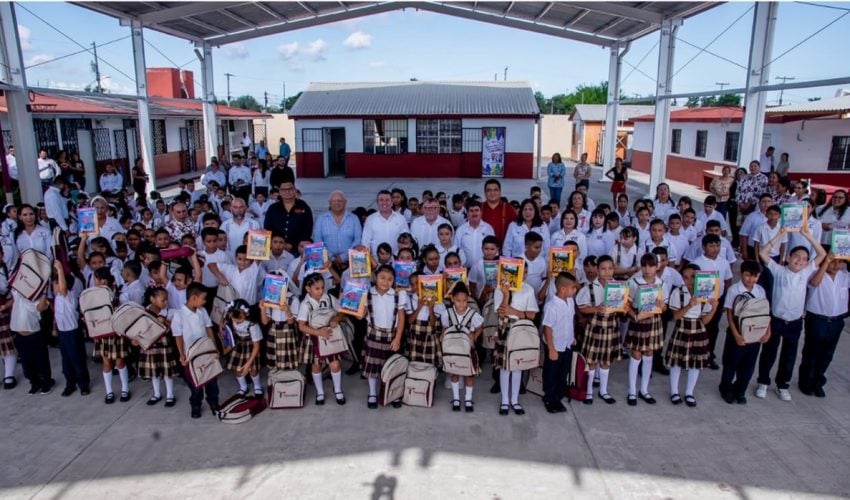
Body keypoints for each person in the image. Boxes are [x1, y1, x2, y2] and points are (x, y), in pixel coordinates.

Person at [755, 225, 826, 402]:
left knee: (789, 355)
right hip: (776, 320)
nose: (800, 261)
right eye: (797, 257)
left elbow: (822, 255)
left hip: (794, 322)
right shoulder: (778, 271)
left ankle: (782, 385)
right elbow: (764, 254)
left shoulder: (806, 271)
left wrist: (808, 235)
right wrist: (780, 234)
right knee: (769, 352)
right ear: (787, 258)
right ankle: (763, 382)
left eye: (804, 259)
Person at [665, 264, 719, 407]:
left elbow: (705, 320)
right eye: (686, 278)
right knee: (677, 361)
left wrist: (714, 308)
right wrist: (689, 305)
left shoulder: (706, 293)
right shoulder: (678, 292)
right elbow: (675, 316)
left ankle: (689, 392)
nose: (690, 281)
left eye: (693, 277)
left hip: (698, 329)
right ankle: (674, 391)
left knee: (695, 362)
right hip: (682, 327)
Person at [719, 260, 769, 405]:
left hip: (754, 334)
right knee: (730, 363)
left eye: (755, 276)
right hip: (738, 331)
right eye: (748, 275)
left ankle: (740, 391)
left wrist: (766, 332)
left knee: (748, 366)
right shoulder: (734, 289)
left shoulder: (760, 290)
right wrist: (735, 334)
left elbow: (765, 312)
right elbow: (729, 312)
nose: (751, 279)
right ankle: (726, 389)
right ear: (741, 274)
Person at [798, 253, 848, 398]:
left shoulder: (844, 276)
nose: (836, 265)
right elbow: (814, 283)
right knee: (811, 353)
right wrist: (826, 261)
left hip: (836, 321)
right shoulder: (816, 273)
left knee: (827, 355)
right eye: (833, 261)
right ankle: (806, 382)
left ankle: (818, 382)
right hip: (817, 319)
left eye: (839, 262)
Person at [493, 265, 538, 415]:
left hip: (521, 328)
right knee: (505, 366)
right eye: (520, 272)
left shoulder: (528, 289)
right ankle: (505, 400)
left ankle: (515, 400)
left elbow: (532, 314)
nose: (523, 275)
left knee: (517, 365)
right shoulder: (500, 288)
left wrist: (516, 312)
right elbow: (500, 313)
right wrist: (506, 295)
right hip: (505, 328)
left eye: (526, 272)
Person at [624, 253, 667, 406]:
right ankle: (632, 391)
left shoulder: (661, 283)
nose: (647, 269)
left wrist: (662, 306)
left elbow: (664, 306)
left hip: (654, 320)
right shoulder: (634, 281)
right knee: (636, 354)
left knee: (649, 353)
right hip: (639, 318)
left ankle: (644, 390)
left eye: (651, 266)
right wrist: (633, 316)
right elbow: (625, 303)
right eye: (644, 266)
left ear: (657, 267)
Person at [173, 282, 220, 419]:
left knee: (212, 381)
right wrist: (182, 355)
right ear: (194, 298)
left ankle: (213, 403)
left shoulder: (202, 311)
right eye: (203, 298)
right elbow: (178, 337)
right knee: (195, 385)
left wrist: (214, 348)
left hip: (206, 352)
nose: (205, 302)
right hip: (191, 355)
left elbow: (208, 329)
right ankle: (196, 405)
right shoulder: (179, 314)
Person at [576, 255, 619, 405]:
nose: (607, 272)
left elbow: (623, 306)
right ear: (597, 270)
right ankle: (588, 392)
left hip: (611, 327)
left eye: (610, 268)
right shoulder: (589, 288)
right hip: (594, 328)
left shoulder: (618, 286)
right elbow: (582, 307)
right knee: (592, 361)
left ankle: (603, 390)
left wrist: (624, 308)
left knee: (606, 361)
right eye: (603, 269)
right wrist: (596, 308)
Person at [363, 265, 407, 409]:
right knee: (373, 367)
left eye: (389, 279)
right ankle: (372, 394)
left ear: (393, 281)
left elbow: (401, 318)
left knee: (391, 367)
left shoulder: (397, 295)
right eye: (382, 278)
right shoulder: (367, 294)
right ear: (375, 277)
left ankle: (393, 393)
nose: (385, 282)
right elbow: (360, 316)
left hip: (391, 335)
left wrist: (398, 338)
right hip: (373, 334)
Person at [439, 282, 483, 413]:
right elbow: (444, 328)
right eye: (458, 300)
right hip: (453, 350)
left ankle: (468, 399)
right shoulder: (447, 314)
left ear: (468, 299)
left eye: (464, 301)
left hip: (468, 350)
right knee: (455, 373)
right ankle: (456, 399)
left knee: (469, 375)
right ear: (452, 299)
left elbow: (481, 327)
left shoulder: (473, 314)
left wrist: (474, 335)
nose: (461, 304)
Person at [541, 272, 577, 414]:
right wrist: (551, 349)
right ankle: (549, 399)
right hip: (555, 346)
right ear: (562, 289)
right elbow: (547, 328)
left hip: (566, 344)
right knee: (551, 374)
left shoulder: (570, 302)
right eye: (572, 288)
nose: (575, 290)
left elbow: (570, 320)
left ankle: (557, 397)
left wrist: (572, 336)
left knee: (563, 374)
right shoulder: (552, 306)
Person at [139, 286, 178, 407]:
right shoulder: (144, 311)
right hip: (150, 344)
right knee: (153, 371)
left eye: (167, 299)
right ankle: (156, 394)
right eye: (163, 300)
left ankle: (170, 395)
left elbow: (175, 328)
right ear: (152, 299)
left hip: (164, 345)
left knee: (167, 371)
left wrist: (165, 321)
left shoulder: (169, 312)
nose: (166, 302)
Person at [222, 299, 264, 398]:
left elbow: (256, 345)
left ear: (246, 314)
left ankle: (257, 386)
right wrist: (221, 326)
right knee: (236, 368)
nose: (236, 321)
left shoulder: (253, 325)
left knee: (253, 369)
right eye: (234, 318)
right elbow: (224, 318)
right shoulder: (230, 318)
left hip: (251, 347)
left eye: (239, 318)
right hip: (238, 345)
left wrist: (249, 362)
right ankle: (243, 387)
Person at [264, 180, 314, 256]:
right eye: (284, 190)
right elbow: (267, 228)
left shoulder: (303, 206)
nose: (287, 192)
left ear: (295, 190)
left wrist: (292, 244)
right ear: (279, 192)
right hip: (276, 250)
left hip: (298, 250)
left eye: (290, 189)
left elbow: (308, 228)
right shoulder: (273, 208)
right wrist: (280, 244)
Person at [361, 190, 409, 257]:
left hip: (396, 259)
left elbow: (406, 240)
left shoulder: (401, 218)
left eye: (387, 200)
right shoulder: (370, 219)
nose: (384, 202)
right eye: (381, 200)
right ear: (377, 202)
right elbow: (365, 242)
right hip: (376, 260)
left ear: (392, 202)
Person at [481, 179, 518, 245]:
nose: (492, 193)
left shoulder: (509, 209)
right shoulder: (479, 208)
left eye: (495, 190)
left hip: (503, 251)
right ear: (485, 193)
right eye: (489, 190)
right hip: (482, 251)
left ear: (500, 192)